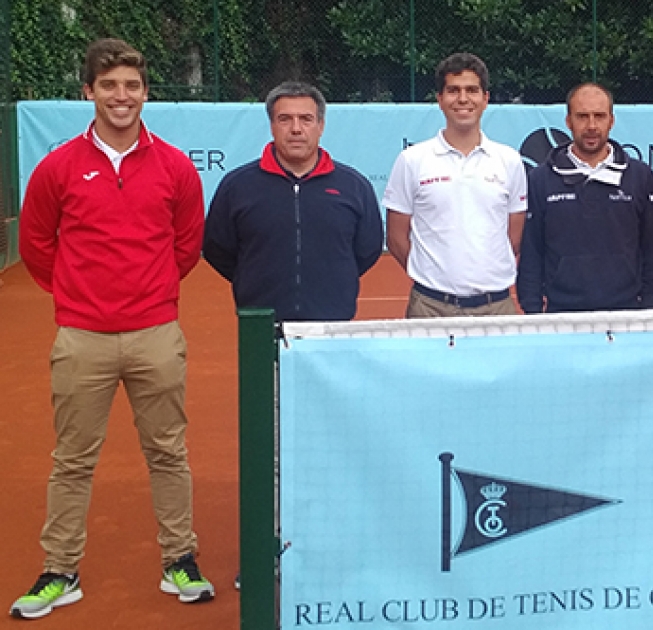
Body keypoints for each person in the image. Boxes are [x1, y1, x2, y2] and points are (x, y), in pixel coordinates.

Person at [11, 39, 214, 620]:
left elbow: (185, 246)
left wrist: (143, 296)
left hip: (156, 333)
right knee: (72, 459)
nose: (121, 97)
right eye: (109, 86)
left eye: (131, 86)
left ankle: (180, 559)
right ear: (89, 93)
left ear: (145, 93)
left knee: (168, 453)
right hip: (81, 338)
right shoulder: (58, 167)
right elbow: (37, 247)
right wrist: (84, 297)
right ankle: (60, 569)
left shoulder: (174, 165)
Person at [204, 81, 383, 323]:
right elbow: (218, 249)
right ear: (272, 126)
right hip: (260, 321)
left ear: (321, 126)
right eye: (285, 119)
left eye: (306, 119)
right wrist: (252, 279)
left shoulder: (353, 186)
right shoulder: (237, 186)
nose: (296, 129)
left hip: (333, 321)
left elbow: (367, 249)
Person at [384, 52, 528, 318]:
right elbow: (395, 236)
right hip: (429, 307)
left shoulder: (509, 160)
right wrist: (430, 276)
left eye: (472, 90)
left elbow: (513, 238)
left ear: (485, 99)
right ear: (440, 99)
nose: (463, 99)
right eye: (453, 90)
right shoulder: (412, 160)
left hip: (497, 308)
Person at [516, 83, 653, 313]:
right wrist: (533, 311)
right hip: (562, 313)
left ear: (611, 120)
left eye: (599, 116)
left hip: (628, 312)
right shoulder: (541, 178)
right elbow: (531, 252)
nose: (591, 126)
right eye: (582, 117)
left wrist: (648, 303)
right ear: (568, 121)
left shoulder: (639, 176)